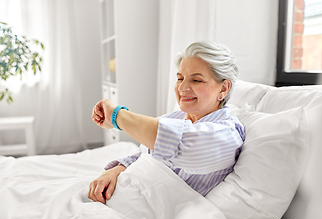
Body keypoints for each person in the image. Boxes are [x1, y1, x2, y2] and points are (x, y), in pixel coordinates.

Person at [88, 41, 245, 204]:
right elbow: (144, 153)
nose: (182, 87)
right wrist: (114, 172)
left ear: (223, 89)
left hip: (154, 213)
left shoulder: (227, 134)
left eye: (196, 80)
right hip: (123, 195)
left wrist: (117, 116)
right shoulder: (174, 118)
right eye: (180, 78)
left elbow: (176, 145)